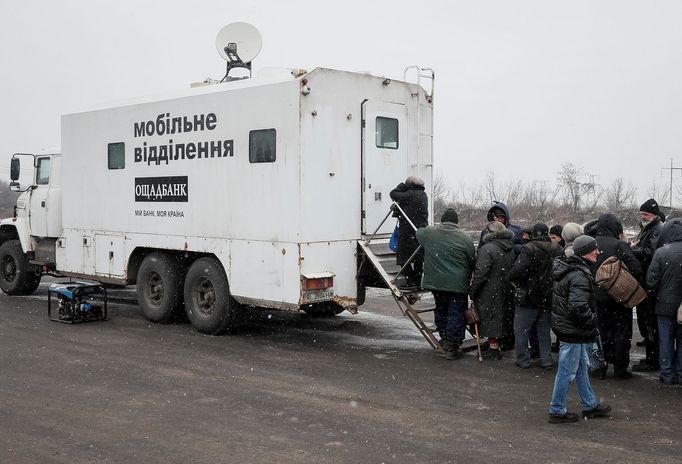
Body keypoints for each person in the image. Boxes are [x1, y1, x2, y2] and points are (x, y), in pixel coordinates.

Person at [548, 234, 612, 423]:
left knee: (582, 367)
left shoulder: (571, 268)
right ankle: (557, 410)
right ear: (585, 253)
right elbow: (577, 307)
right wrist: (592, 321)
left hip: (571, 329)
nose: (598, 252)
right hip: (573, 331)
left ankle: (589, 404)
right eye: (595, 249)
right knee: (567, 372)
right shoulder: (578, 275)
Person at [416, 208, 476, 360]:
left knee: (441, 310)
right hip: (458, 284)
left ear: (442, 220)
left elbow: (419, 232)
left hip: (436, 283)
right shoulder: (465, 238)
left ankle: (444, 338)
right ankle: (453, 346)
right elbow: (472, 260)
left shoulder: (430, 233)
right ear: (456, 222)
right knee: (456, 313)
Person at [592, 213, 642, 379]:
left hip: (598, 296)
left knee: (601, 331)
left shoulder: (591, 244)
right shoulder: (620, 245)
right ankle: (620, 370)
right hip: (619, 296)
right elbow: (637, 269)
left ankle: (600, 367)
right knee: (621, 333)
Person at [509, 223, 563, 369]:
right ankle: (547, 361)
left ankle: (523, 360)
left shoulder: (530, 248)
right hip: (548, 295)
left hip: (529, 296)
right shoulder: (557, 249)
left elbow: (517, 271)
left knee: (521, 329)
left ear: (534, 234)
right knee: (543, 330)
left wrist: (514, 279)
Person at [470, 221, 516, 359]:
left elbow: (480, 272)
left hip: (489, 290)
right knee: (502, 317)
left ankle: (493, 348)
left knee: (490, 318)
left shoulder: (487, 249)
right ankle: (497, 343)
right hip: (506, 289)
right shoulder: (510, 248)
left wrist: (473, 289)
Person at [646, 218, 682, 385]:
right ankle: (681, 373)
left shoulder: (661, 252)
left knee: (665, 341)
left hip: (664, 305)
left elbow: (651, 281)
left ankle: (667, 374)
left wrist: (653, 297)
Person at [631, 198, 664, 372]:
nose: (643, 216)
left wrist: (633, 249)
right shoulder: (649, 227)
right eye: (642, 213)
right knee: (646, 318)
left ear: (654, 215)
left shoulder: (657, 229)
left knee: (650, 319)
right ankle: (650, 345)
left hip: (649, 280)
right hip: (645, 278)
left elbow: (650, 252)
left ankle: (652, 359)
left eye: (646, 214)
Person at [390, 176, 428, 287]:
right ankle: (417, 281)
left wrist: (401, 187)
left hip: (408, 231)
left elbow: (393, 194)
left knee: (403, 258)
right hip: (420, 231)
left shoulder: (410, 194)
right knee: (418, 258)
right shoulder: (423, 195)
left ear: (410, 185)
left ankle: (411, 280)